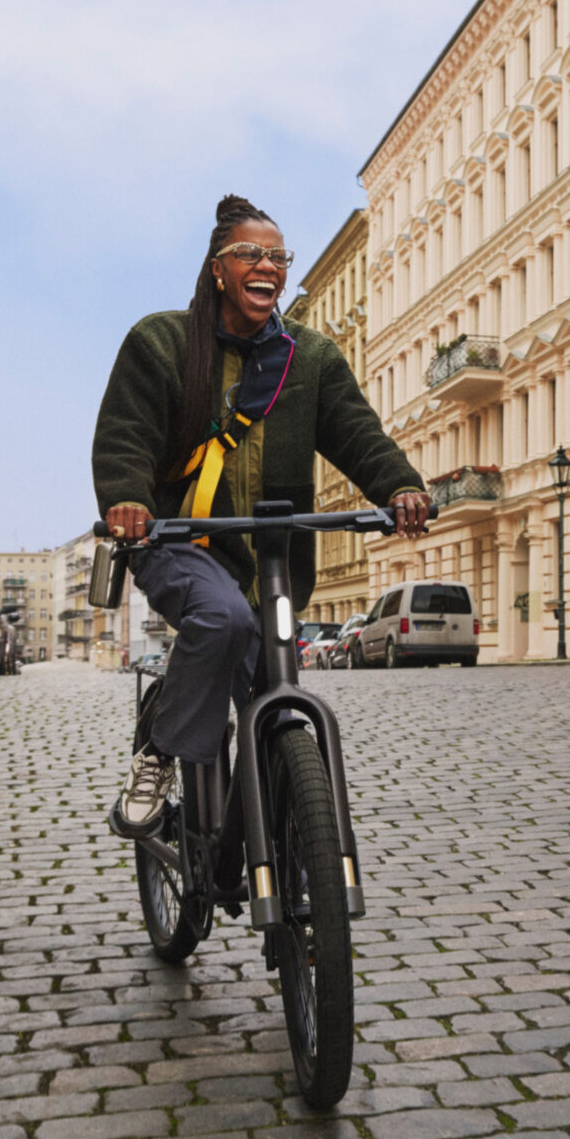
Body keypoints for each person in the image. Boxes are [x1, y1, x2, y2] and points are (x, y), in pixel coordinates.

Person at [92, 196, 429, 829]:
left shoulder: (311, 357)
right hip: (182, 542)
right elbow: (125, 436)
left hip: (274, 557)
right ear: (217, 269)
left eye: (278, 256)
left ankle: (281, 832)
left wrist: (400, 486)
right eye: (249, 253)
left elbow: (358, 433)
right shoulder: (161, 342)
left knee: (270, 686)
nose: (266, 265)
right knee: (221, 620)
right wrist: (128, 498)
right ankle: (159, 755)